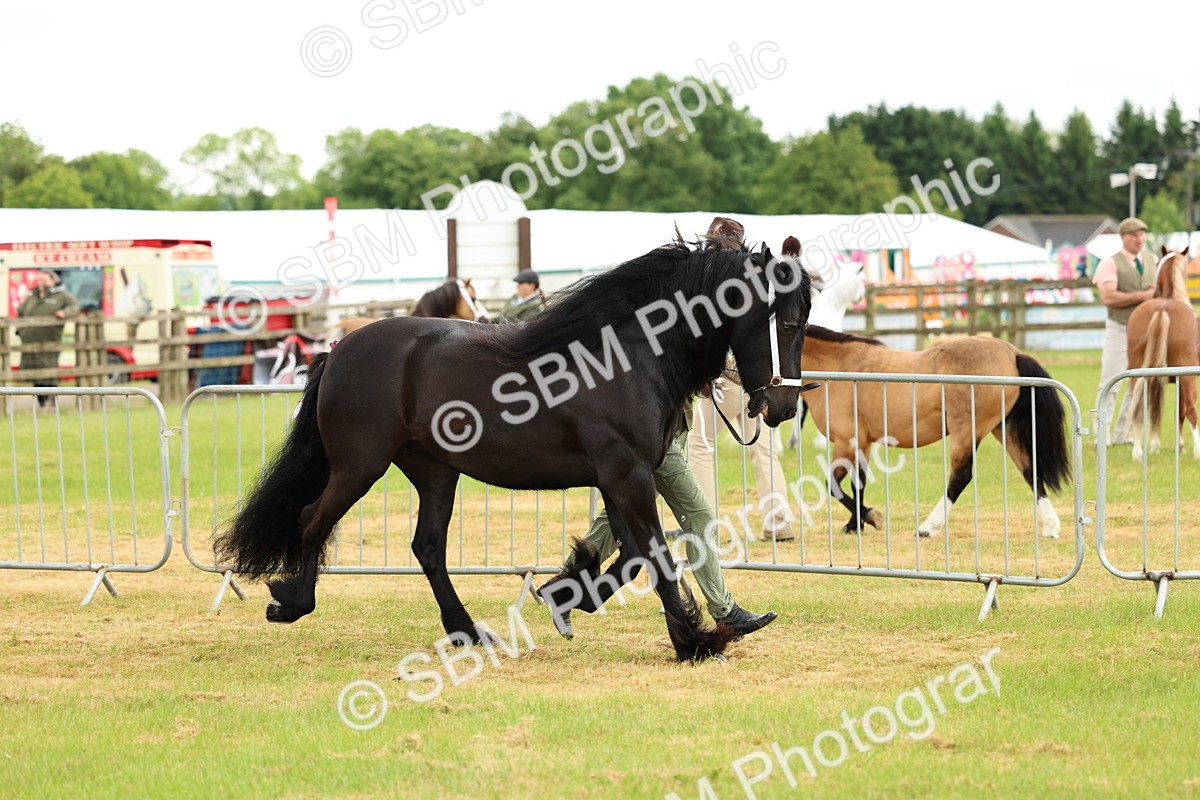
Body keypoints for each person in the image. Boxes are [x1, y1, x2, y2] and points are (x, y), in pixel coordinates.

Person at [538, 218, 778, 639]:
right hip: (652, 430)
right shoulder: (687, 297)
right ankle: (724, 611)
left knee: (615, 523)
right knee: (699, 515)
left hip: (666, 427)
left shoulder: (703, 301)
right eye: (729, 254)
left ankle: (562, 590)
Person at [689, 217, 795, 541]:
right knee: (763, 450)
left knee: (698, 444)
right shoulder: (756, 278)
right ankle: (779, 521)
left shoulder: (717, 278)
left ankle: (705, 525)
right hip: (756, 380)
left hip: (725, 380)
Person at [1093, 217, 1157, 444]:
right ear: (1123, 238)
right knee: (1110, 381)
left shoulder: (1152, 259)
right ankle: (1103, 434)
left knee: (1138, 382)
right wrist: (1143, 296)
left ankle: (1124, 432)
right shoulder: (1110, 263)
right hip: (1120, 328)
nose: (1139, 239)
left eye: (1142, 235)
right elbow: (1108, 297)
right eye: (1134, 235)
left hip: (1145, 331)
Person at [16, 269, 78, 407]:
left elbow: (74, 307)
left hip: (50, 341)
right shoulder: (33, 297)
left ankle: (52, 404)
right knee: (35, 374)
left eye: (44, 280)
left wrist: (64, 313)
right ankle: (42, 404)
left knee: (49, 372)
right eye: (39, 280)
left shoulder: (61, 296)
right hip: (30, 342)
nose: (41, 283)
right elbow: (20, 311)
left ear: (53, 280)